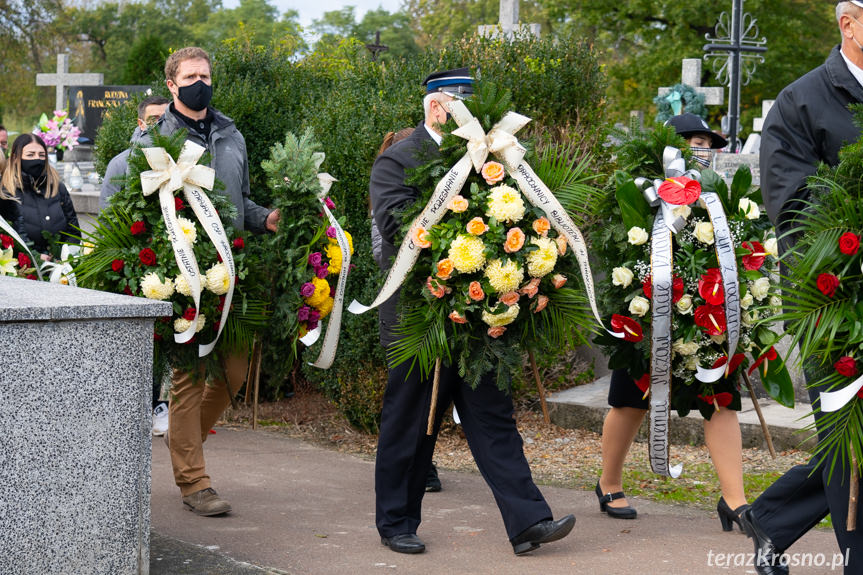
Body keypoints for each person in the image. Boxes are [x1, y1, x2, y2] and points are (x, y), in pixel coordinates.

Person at [370, 67, 575, 556]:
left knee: (492, 416)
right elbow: (401, 227)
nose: (472, 114)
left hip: (483, 312)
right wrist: (467, 237)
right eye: (461, 104)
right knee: (411, 420)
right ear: (437, 108)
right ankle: (396, 522)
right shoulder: (397, 161)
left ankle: (528, 522)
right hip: (419, 318)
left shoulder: (494, 159)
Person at [740, 3, 863, 574]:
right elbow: (791, 206)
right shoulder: (802, 99)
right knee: (850, 431)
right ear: (849, 24)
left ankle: (770, 519)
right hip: (833, 302)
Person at [596, 114, 747, 530]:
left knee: (721, 398)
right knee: (629, 402)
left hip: (709, 312)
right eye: (694, 142)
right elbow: (620, 249)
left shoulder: (716, 199)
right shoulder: (644, 194)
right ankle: (609, 482)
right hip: (650, 315)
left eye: (707, 144)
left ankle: (735, 499)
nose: (702, 151)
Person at [156, 46, 280, 517]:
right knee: (189, 378)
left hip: (232, 271)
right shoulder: (153, 137)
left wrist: (267, 218)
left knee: (232, 375)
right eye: (190, 76)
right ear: (172, 84)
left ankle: (181, 438)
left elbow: (240, 203)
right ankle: (194, 481)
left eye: (204, 75)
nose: (199, 82)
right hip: (183, 275)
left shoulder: (232, 135)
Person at [371, 127, 443, 494]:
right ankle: (416, 468)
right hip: (403, 305)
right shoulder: (386, 190)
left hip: (437, 304)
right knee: (408, 396)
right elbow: (382, 248)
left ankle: (423, 464)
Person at [0, 133, 78, 255]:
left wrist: (66, 256)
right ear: (15, 158)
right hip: (27, 268)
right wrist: (35, 257)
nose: (37, 159)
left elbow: (74, 231)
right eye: (30, 155)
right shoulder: (6, 193)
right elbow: (7, 239)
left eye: (42, 155)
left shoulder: (58, 188)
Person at [100, 95, 170, 211]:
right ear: (141, 124)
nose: (161, 124)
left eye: (165, 118)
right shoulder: (120, 163)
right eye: (154, 119)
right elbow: (108, 212)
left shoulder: (185, 157)